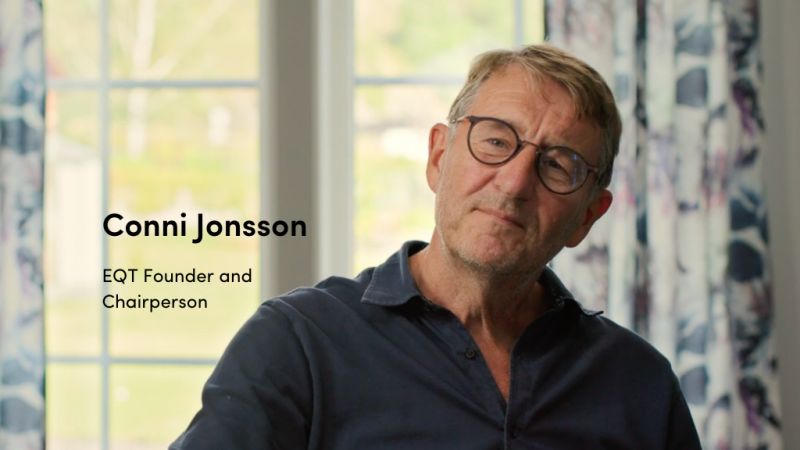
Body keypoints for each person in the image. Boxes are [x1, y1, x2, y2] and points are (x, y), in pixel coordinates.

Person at [171, 44, 701, 449]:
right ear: (438, 157)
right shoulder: (298, 343)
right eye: (496, 141)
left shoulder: (641, 384)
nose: (514, 183)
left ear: (587, 216)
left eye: (558, 165)